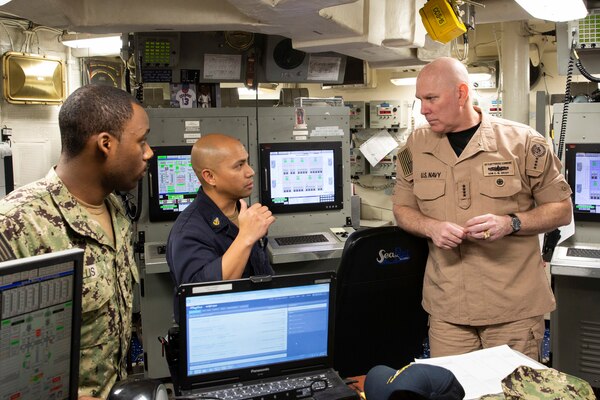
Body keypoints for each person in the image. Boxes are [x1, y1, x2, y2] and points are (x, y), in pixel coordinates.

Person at [392, 57, 572, 361]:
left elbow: (561, 210)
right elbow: (402, 208)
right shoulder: (416, 145)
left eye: (432, 98)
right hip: (448, 310)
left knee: (512, 392)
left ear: (462, 94)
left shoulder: (522, 142)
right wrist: (431, 227)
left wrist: (510, 223)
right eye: (420, 100)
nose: (424, 109)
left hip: (512, 309)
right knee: (453, 391)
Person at [0, 84, 153, 399]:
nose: (149, 152)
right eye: (141, 141)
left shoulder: (116, 211)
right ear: (105, 144)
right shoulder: (18, 224)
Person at [166, 134, 275, 322]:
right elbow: (202, 298)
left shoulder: (243, 212)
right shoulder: (188, 232)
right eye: (239, 166)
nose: (250, 172)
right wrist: (246, 238)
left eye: (247, 162)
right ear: (210, 176)